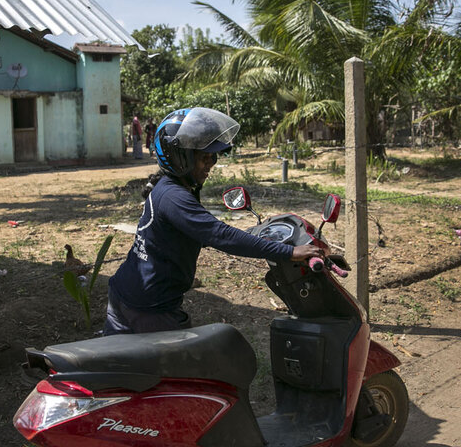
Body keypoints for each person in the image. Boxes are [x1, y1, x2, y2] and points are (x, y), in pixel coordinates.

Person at [104, 107, 323, 335]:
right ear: (179, 157)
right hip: (146, 308)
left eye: (213, 157)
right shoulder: (174, 197)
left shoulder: (172, 188)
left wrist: (252, 236)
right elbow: (219, 235)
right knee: (182, 366)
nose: (211, 164)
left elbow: (204, 231)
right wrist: (288, 252)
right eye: (204, 157)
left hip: (134, 295)